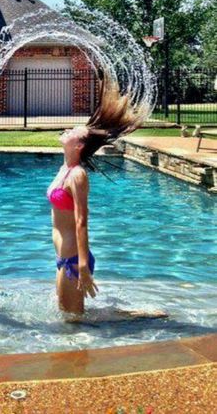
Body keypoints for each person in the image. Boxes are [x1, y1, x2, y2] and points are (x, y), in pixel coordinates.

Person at [47, 72, 167, 320]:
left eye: (74, 131)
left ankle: (142, 316)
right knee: (71, 316)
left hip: (72, 259)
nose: (68, 129)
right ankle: (134, 313)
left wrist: (82, 264)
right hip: (63, 255)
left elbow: (81, 222)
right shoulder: (64, 169)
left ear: (78, 146)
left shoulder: (77, 175)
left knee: (73, 321)